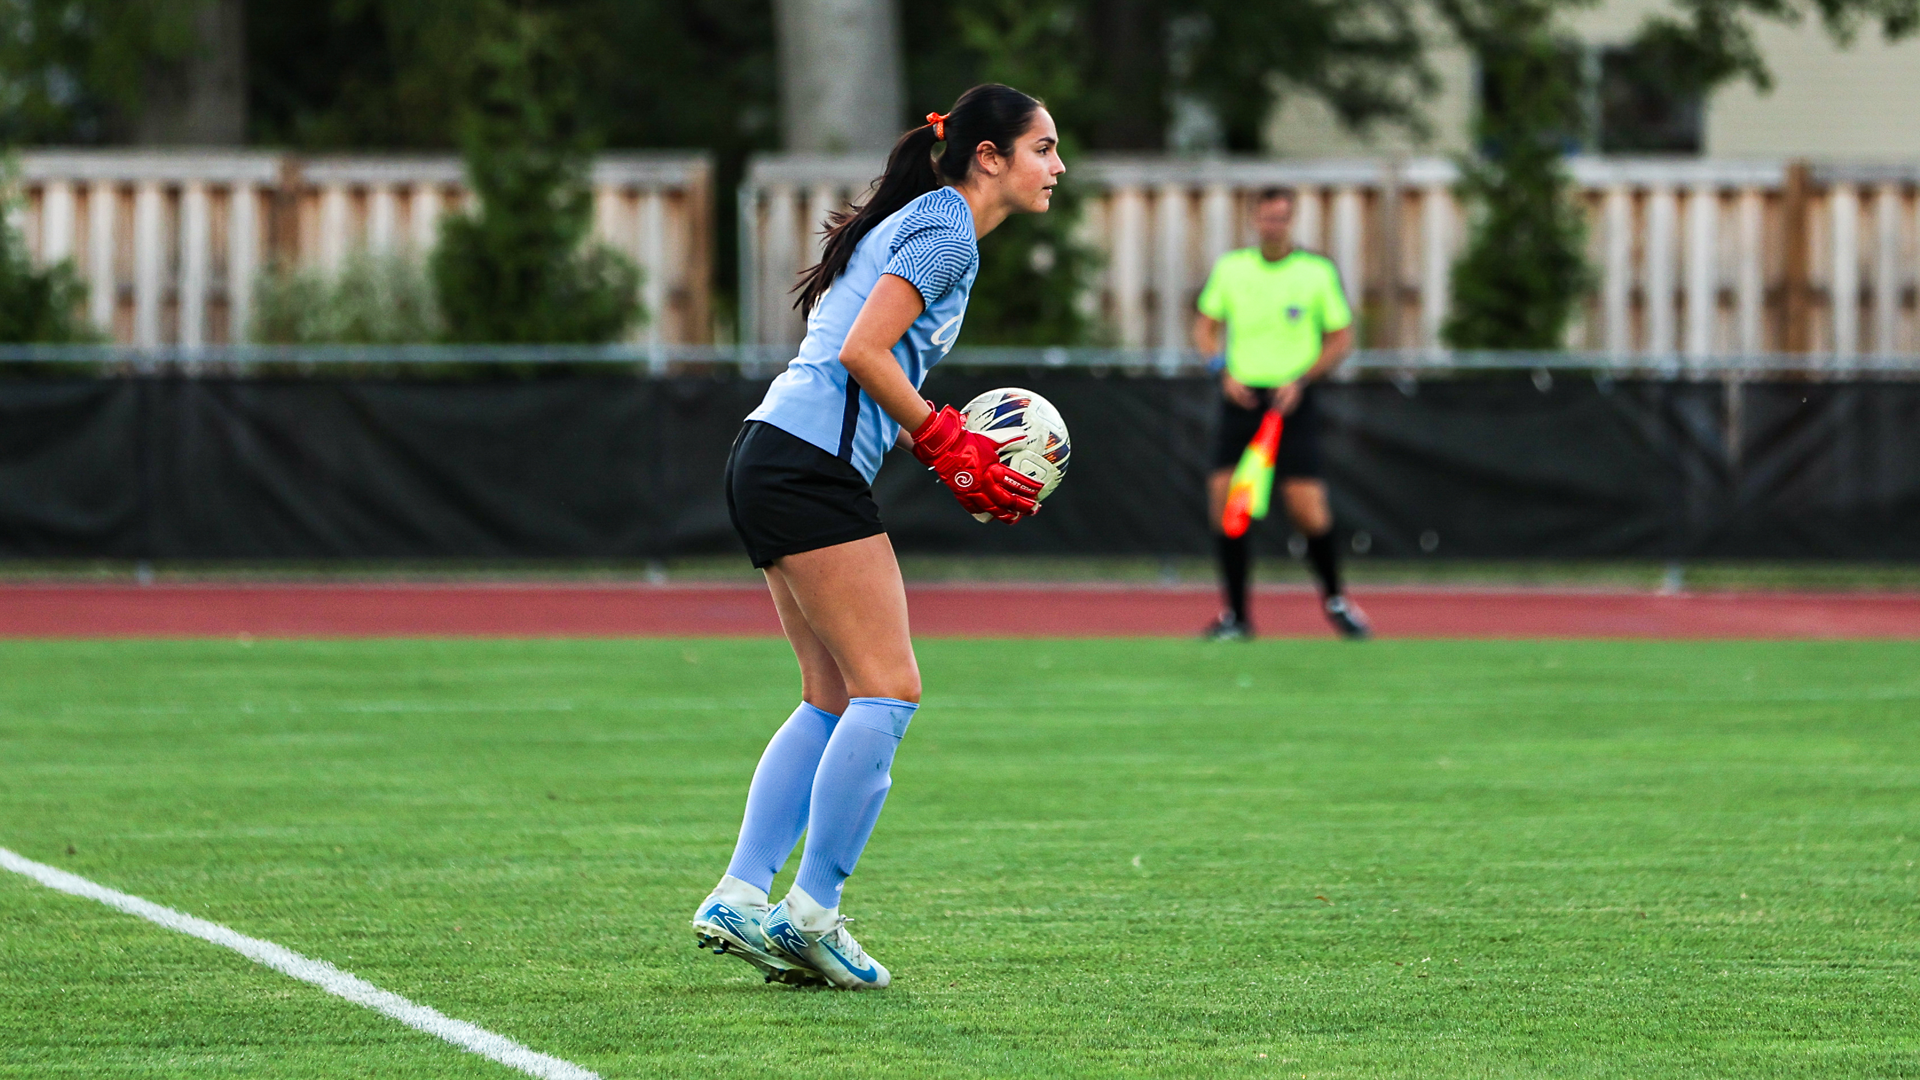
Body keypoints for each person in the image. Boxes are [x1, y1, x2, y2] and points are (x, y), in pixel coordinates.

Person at [690, 85, 1064, 991]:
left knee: (829, 695)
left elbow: (865, 364)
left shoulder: (924, 216)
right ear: (989, 157)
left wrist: (950, 456)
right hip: (804, 466)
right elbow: (864, 351)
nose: (1057, 168)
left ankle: (743, 893)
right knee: (888, 690)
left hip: (771, 452)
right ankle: (811, 913)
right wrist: (947, 439)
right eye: (1043, 148)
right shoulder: (946, 232)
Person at [1193, 187, 1370, 641]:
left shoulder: (1315, 272)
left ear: (1292, 221)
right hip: (1241, 400)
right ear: (1256, 219)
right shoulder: (1233, 269)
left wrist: (1302, 380)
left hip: (1292, 403)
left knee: (1307, 508)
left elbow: (1340, 337)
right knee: (1228, 502)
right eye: (1267, 218)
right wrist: (1221, 370)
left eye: (1282, 218)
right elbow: (1205, 328)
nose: (1274, 226)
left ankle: (1336, 601)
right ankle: (1236, 616)